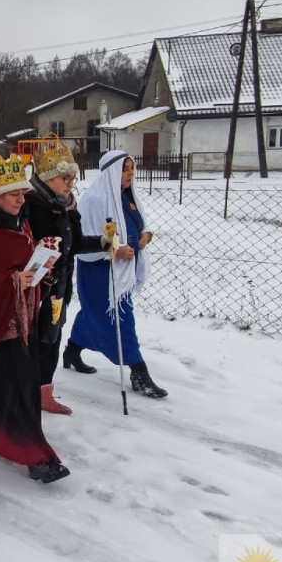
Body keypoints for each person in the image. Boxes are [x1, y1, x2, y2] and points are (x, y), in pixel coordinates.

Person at [0, 149, 70, 484]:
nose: (23, 199)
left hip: (20, 319)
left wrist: (40, 269)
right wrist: (11, 282)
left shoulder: (16, 220)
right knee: (17, 388)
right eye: (15, 193)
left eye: (24, 192)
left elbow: (18, 263)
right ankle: (37, 458)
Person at [65, 151, 168, 398]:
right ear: (111, 172)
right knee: (120, 318)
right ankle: (138, 371)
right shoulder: (94, 200)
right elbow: (81, 243)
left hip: (122, 271)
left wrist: (146, 236)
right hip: (99, 272)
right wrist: (112, 252)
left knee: (94, 314)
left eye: (132, 168)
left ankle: (72, 349)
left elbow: (139, 224)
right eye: (125, 169)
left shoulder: (126, 197)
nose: (131, 173)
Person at [25, 138, 109, 415]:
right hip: (33, 289)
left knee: (52, 337)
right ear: (47, 178)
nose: (70, 183)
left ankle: (44, 393)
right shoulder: (28, 205)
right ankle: (25, 395)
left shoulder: (66, 205)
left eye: (73, 178)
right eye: (65, 178)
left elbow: (72, 246)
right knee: (32, 342)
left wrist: (102, 243)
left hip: (59, 286)